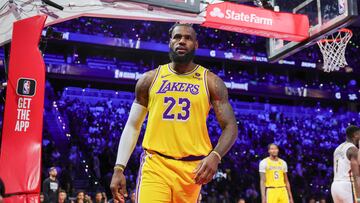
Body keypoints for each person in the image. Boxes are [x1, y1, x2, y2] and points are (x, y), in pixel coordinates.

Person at [110, 23, 238, 202]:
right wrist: (119, 168)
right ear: (170, 42)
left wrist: (215, 156)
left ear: (196, 44)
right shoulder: (149, 79)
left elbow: (231, 126)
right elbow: (133, 125)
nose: (182, 41)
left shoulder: (211, 81)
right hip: (156, 165)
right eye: (177, 37)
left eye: (188, 38)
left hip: (191, 170)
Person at [331, 125, 360, 203]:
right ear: (355, 135)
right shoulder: (353, 149)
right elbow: (356, 175)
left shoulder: (338, 148)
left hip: (335, 185)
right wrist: (358, 197)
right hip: (347, 185)